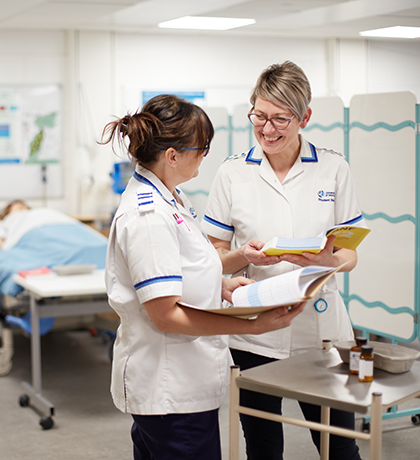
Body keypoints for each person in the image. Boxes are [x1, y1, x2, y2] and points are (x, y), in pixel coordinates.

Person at [101, 94, 305, 460]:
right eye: (202, 148)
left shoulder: (171, 198)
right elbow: (164, 314)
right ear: (173, 156)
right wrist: (253, 327)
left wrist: (224, 282)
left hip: (181, 384)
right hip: (170, 390)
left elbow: (182, 270)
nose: (205, 155)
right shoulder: (149, 217)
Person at [201, 61, 365, 460]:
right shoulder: (232, 173)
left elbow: (351, 253)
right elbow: (211, 260)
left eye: (280, 119)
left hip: (321, 326)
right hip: (255, 328)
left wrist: (330, 260)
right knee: (263, 445)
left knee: (338, 442)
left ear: (305, 116)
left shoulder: (333, 168)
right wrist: (241, 255)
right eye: (259, 116)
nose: (268, 129)